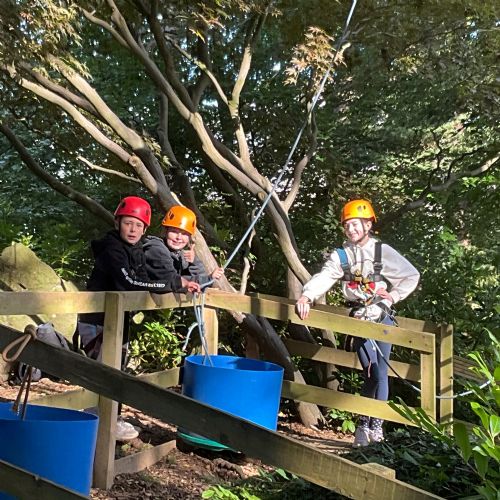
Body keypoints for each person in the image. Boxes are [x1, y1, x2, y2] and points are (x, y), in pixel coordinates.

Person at [75, 196, 200, 441]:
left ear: (144, 229)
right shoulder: (112, 249)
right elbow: (130, 282)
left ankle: (108, 421)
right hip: (97, 321)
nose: (133, 229)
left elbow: (146, 280)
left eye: (138, 225)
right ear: (117, 223)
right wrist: (175, 282)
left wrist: (182, 276)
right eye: (128, 223)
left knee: (115, 368)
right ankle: (99, 425)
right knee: (104, 371)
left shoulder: (135, 251)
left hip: (117, 320)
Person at [295, 199, 419, 447]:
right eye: (347, 225)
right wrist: (307, 295)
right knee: (371, 370)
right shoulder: (342, 256)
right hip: (359, 317)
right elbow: (325, 277)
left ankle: (376, 428)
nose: (351, 229)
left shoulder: (381, 251)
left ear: (367, 225)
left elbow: (411, 275)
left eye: (355, 224)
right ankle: (363, 426)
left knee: (381, 372)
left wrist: (392, 296)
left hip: (381, 315)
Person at [143, 205, 224, 286]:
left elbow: (201, 284)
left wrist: (194, 262)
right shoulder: (155, 248)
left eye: (184, 234)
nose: (179, 237)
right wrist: (206, 279)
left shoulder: (180, 255)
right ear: (165, 231)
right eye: (174, 231)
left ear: (189, 237)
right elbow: (171, 279)